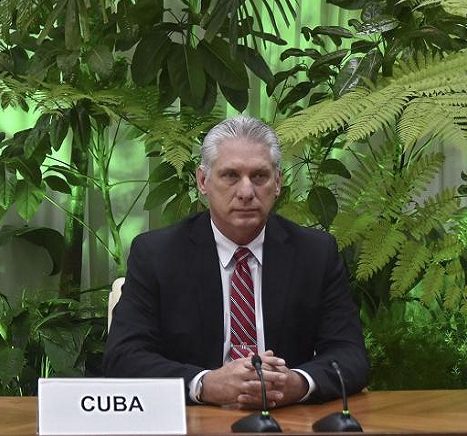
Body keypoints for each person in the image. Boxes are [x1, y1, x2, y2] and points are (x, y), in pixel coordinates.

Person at [102, 115, 368, 409]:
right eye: (230, 176)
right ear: (203, 182)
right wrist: (204, 383)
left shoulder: (315, 253)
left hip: (286, 420)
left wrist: (298, 383)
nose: (246, 192)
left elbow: (350, 354)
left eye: (259, 176)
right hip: (197, 420)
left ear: (277, 183)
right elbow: (123, 356)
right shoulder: (157, 254)